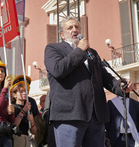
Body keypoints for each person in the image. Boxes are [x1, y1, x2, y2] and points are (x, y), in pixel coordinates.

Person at [44, 16, 135, 147]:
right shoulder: (53, 49)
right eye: (70, 28)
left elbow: (104, 77)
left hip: (95, 116)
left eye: (77, 27)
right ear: (62, 35)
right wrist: (79, 50)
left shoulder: (92, 53)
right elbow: (58, 69)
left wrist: (120, 87)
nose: (74, 30)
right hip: (70, 116)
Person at [10, 76, 38, 147]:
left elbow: (34, 131)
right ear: (14, 94)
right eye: (21, 91)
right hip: (16, 139)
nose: (24, 93)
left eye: (26, 91)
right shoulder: (12, 107)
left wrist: (32, 122)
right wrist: (23, 111)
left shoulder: (28, 109)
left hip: (26, 139)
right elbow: (14, 126)